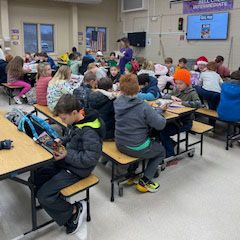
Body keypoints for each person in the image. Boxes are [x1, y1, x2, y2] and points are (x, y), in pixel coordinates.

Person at [33, 94, 105, 235]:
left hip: (78, 169)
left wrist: (67, 154)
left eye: (64, 118)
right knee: (34, 179)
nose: (63, 121)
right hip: (66, 160)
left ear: (74, 112)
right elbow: (73, 136)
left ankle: (74, 210)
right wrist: (61, 140)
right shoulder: (77, 120)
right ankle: (58, 204)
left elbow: (90, 159)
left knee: (44, 196)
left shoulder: (90, 132)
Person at [114, 73, 166, 193]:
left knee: (144, 141)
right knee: (160, 151)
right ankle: (145, 181)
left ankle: (133, 173)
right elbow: (160, 124)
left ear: (121, 89)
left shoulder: (117, 102)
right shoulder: (143, 106)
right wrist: (159, 111)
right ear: (139, 89)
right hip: (135, 146)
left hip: (120, 143)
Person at [160, 69, 201, 157]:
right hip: (174, 119)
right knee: (157, 129)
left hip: (184, 122)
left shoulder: (192, 92)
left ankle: (170, 155)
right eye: (176, 83)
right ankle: (170, 143)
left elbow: (198, 104)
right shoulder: (176, 90)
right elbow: (164, 96)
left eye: (181, 83)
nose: (178, 86)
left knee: (164, 132)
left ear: (187, 83)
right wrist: (171, 96)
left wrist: (182, 103)